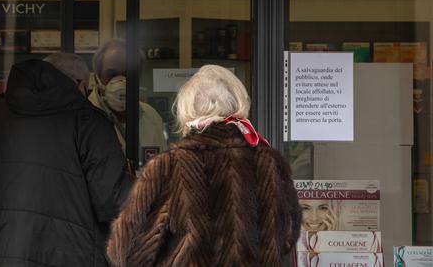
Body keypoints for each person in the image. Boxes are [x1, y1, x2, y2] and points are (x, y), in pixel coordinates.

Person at [107, 65, 301, 267]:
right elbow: (288, 236)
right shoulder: (269, 161)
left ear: (186, 109)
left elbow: (124, 249)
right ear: (239, 103)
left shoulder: (168, 166)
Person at [0, 53, 132, 266]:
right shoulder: (87, 120)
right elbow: (114, 203)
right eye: (87, 90)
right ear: (77, 83)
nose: (86, 96)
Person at [89, 38, 167, 163]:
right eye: (111, 75)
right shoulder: (83, 120)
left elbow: (162, 167)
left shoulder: (151, 116)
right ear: (97, 78)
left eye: (128, 74)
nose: (120, 82)